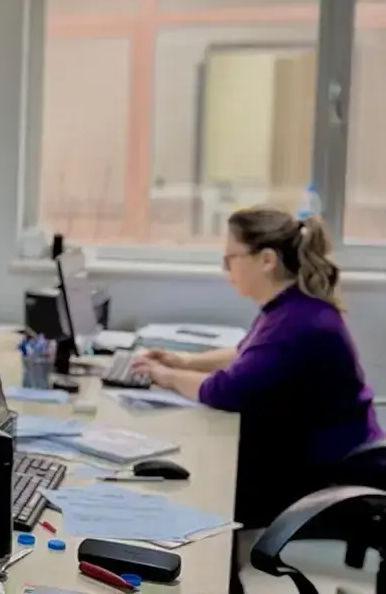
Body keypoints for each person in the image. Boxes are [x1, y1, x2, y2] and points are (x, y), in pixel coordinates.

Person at [133, 207, 381, 531]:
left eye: (230, 259)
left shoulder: (298, 324)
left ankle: (216, 562)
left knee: (201, 488)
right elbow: (246, 354)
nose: (226, 269)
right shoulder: (290, 307)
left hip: (328, 482)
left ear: (266, 260)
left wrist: (165, 376)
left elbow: (225, 390)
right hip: (321, 464)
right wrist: (186, 362)